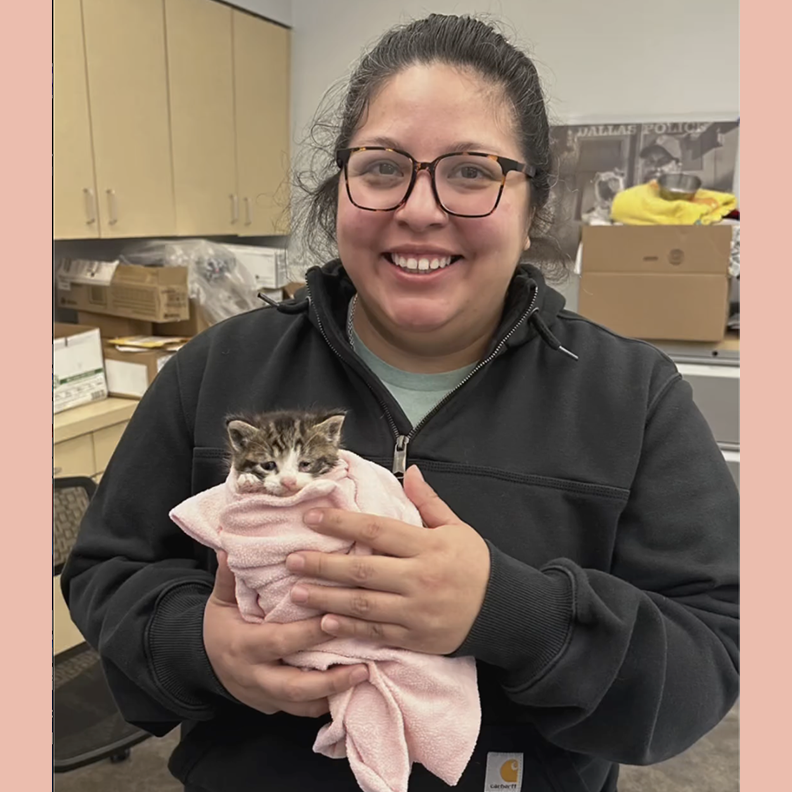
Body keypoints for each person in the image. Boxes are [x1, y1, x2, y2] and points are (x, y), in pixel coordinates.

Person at [61, 14, 739, 792]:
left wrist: (510, 611)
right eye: (383, 167)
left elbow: (708, 658)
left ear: (534, 208)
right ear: (340, 186)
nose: (420, 209)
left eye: (472, 171)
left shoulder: (632, 396)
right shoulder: (219, 367)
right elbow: (106, 570)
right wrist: (197, 642)